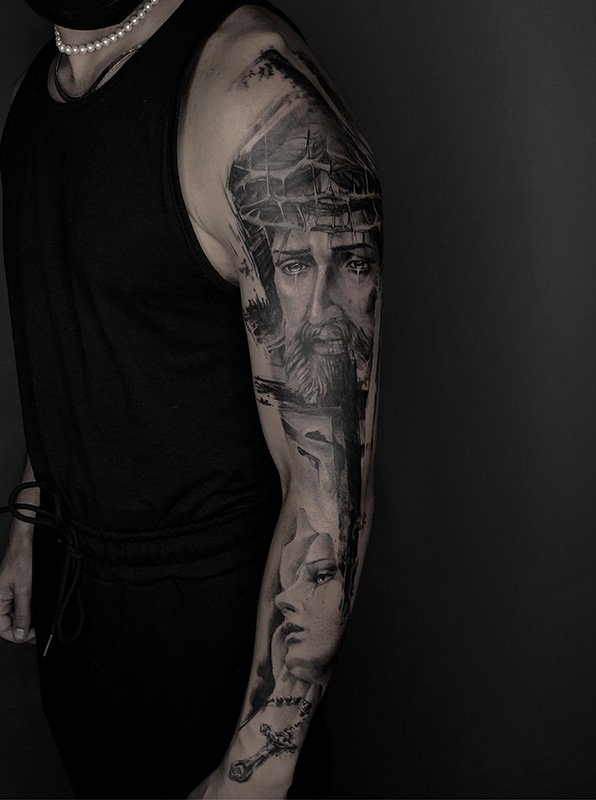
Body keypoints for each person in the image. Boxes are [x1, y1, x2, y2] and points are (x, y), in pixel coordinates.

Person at [0, 1, 383, 797]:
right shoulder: (38, 94)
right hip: (80, 618)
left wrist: (259, 766)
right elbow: (89, 333)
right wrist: (38, 506)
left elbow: (328, 489)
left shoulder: (255, 99)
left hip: (215, 645)